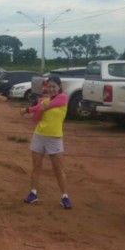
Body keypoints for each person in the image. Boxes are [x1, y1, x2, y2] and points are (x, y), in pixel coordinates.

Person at [20, 75, 72, 209]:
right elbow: (35, 119)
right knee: (36, 167)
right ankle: (33, 192)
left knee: (58, 169)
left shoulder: (63, 98)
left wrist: (29, 109)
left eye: (54, 86)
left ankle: (65, 196)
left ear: (59, 87)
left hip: (54, 138)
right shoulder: (43, 100)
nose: (51, 89)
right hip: (39, 136)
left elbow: (48, 105)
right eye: (49, 86)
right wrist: (39, 110)